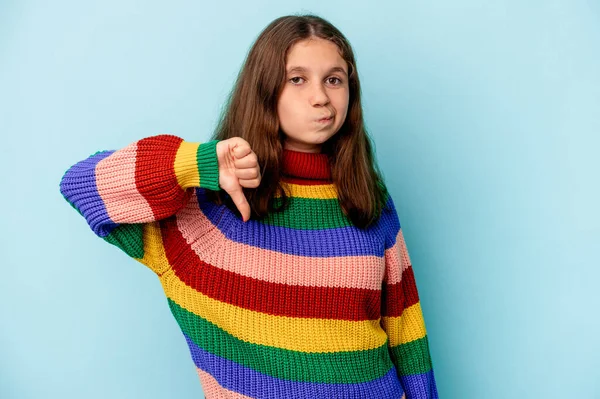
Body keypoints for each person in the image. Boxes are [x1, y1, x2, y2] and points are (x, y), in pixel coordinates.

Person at [59, 13, 438, 399]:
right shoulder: (208, 212)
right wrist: (197, 163)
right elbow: (80, 184)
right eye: (297, 79)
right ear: (264, 88)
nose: (321, 96)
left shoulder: (366, 197)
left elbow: (406, 330)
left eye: (334, 79)